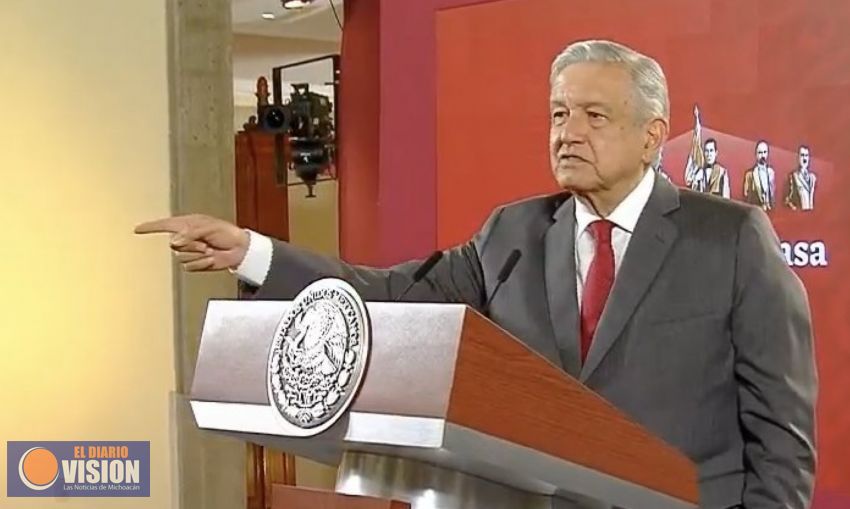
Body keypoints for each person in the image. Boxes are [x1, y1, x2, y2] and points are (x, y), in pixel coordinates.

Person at [137, 40, 817, 508]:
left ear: (652, 135)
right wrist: (254, 252)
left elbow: (781, 437)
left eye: (594, 116)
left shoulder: (729, 238)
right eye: (559, 114)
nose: (568, 132)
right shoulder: (512, 234)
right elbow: (394, 294)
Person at [743, 140, 777, 211]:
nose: (763, 155)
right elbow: (746, 195)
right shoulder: (749, 174)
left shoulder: (771, 172)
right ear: (756, 154)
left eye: (765, 152)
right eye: (760, 153)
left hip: (769, 210)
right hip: (756, 211)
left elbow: (773, 193)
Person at [785, 144, 817, 211]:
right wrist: (795, 209)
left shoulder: (813, 178)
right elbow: (787, 200)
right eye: (802, 155)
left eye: (806, 155)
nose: (804, 158)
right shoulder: (793, 176)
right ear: (798, 157)